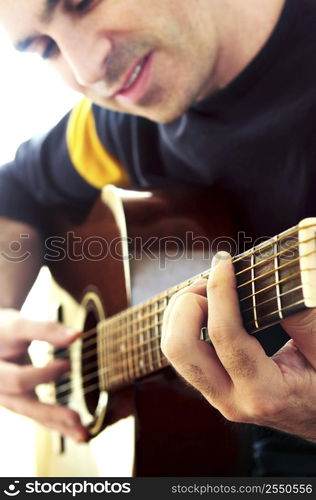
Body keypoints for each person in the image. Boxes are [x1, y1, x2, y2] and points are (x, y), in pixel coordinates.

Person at [0, 0, 316, 475]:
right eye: (43, 47)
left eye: (84, 3)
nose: (86, 72)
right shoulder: (125, 121)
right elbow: (15, 192)